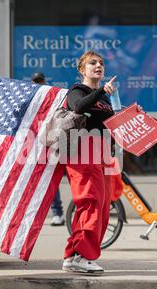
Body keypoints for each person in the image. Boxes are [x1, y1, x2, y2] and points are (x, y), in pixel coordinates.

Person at [62, 50, 117, 274]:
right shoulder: (78, 90)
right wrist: (100, 92)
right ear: (82, 69)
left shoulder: (105, 98)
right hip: (82, 151)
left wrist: (132, 115)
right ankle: (81, 256)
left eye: (101, 63)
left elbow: (112, 125)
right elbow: (78, 107)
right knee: (90, 201)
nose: (98, 66)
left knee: (102, 207)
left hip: (102, 153)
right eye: (92, 63)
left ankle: (74, 255)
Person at [31, 72, 65, 226]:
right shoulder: (31, 101)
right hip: (33, 144)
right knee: (34, 181)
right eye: (36, 82)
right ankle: (35, 215)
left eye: (41, 82)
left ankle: (58, 213)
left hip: (50, 144)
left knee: (50, 180)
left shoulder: (53, 99)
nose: (39, 85)